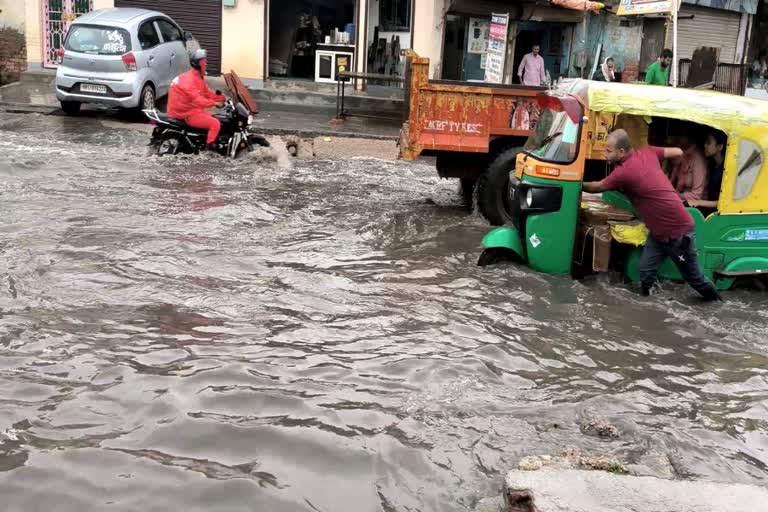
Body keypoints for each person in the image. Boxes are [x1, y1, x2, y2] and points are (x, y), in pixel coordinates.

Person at [583, 129, 722, 301]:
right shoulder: (649, 152)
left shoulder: (624, 172)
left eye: (608, 151)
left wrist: (576, 182)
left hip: (677, 234)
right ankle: (653, 307)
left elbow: (597, 187)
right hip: (658, 234)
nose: (605, 154)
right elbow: (677, 151)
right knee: (646, 272)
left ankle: (718, 304)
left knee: (695, 280)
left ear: (621, 152)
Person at [167, 49, 227, 151]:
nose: (206, 64)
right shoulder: (190, 81)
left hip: (190, 109)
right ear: (199, 64)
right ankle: (209, 150)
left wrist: (224, 98)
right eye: (204, 62)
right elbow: (198, 100)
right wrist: (215, 103)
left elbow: (207, 93)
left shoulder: (197, 78)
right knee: (215, 124)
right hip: (185, 114)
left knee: (217, 118)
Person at [687, 131, 726, 213]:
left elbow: (724, 202)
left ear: (719, 147)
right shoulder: (712, 164)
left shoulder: (726, 169)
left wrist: (698, 202)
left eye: (708, 143)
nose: (705, 145)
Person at [668, 135, 708, 202]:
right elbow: (678, 184)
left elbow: (696, 195)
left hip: (697, 203)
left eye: (684, 148)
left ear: (693, 146)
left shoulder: (698, 161)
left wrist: (676, 195)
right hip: (683, 197)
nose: (682, 151)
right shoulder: (684, 157)